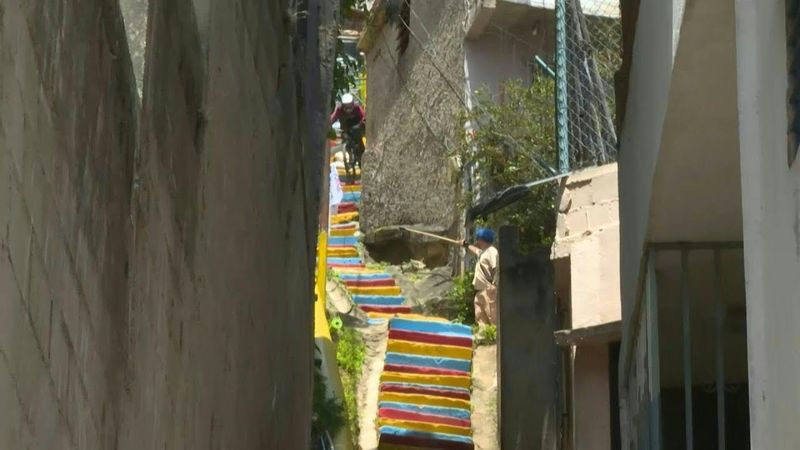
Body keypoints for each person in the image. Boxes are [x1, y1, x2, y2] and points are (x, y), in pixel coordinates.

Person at [462, 228, 499, 327]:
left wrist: (494, 284)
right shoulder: (483, 252)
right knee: (480, 318)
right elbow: (475, 250)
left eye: (478, 239)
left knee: (492, 317)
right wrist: (465, 245)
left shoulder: (492, 251)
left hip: (488, 290)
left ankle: (494, 335)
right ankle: (483, 334)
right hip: (479, 291)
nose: (477, 241)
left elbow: (497, 269)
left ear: (482, 239)